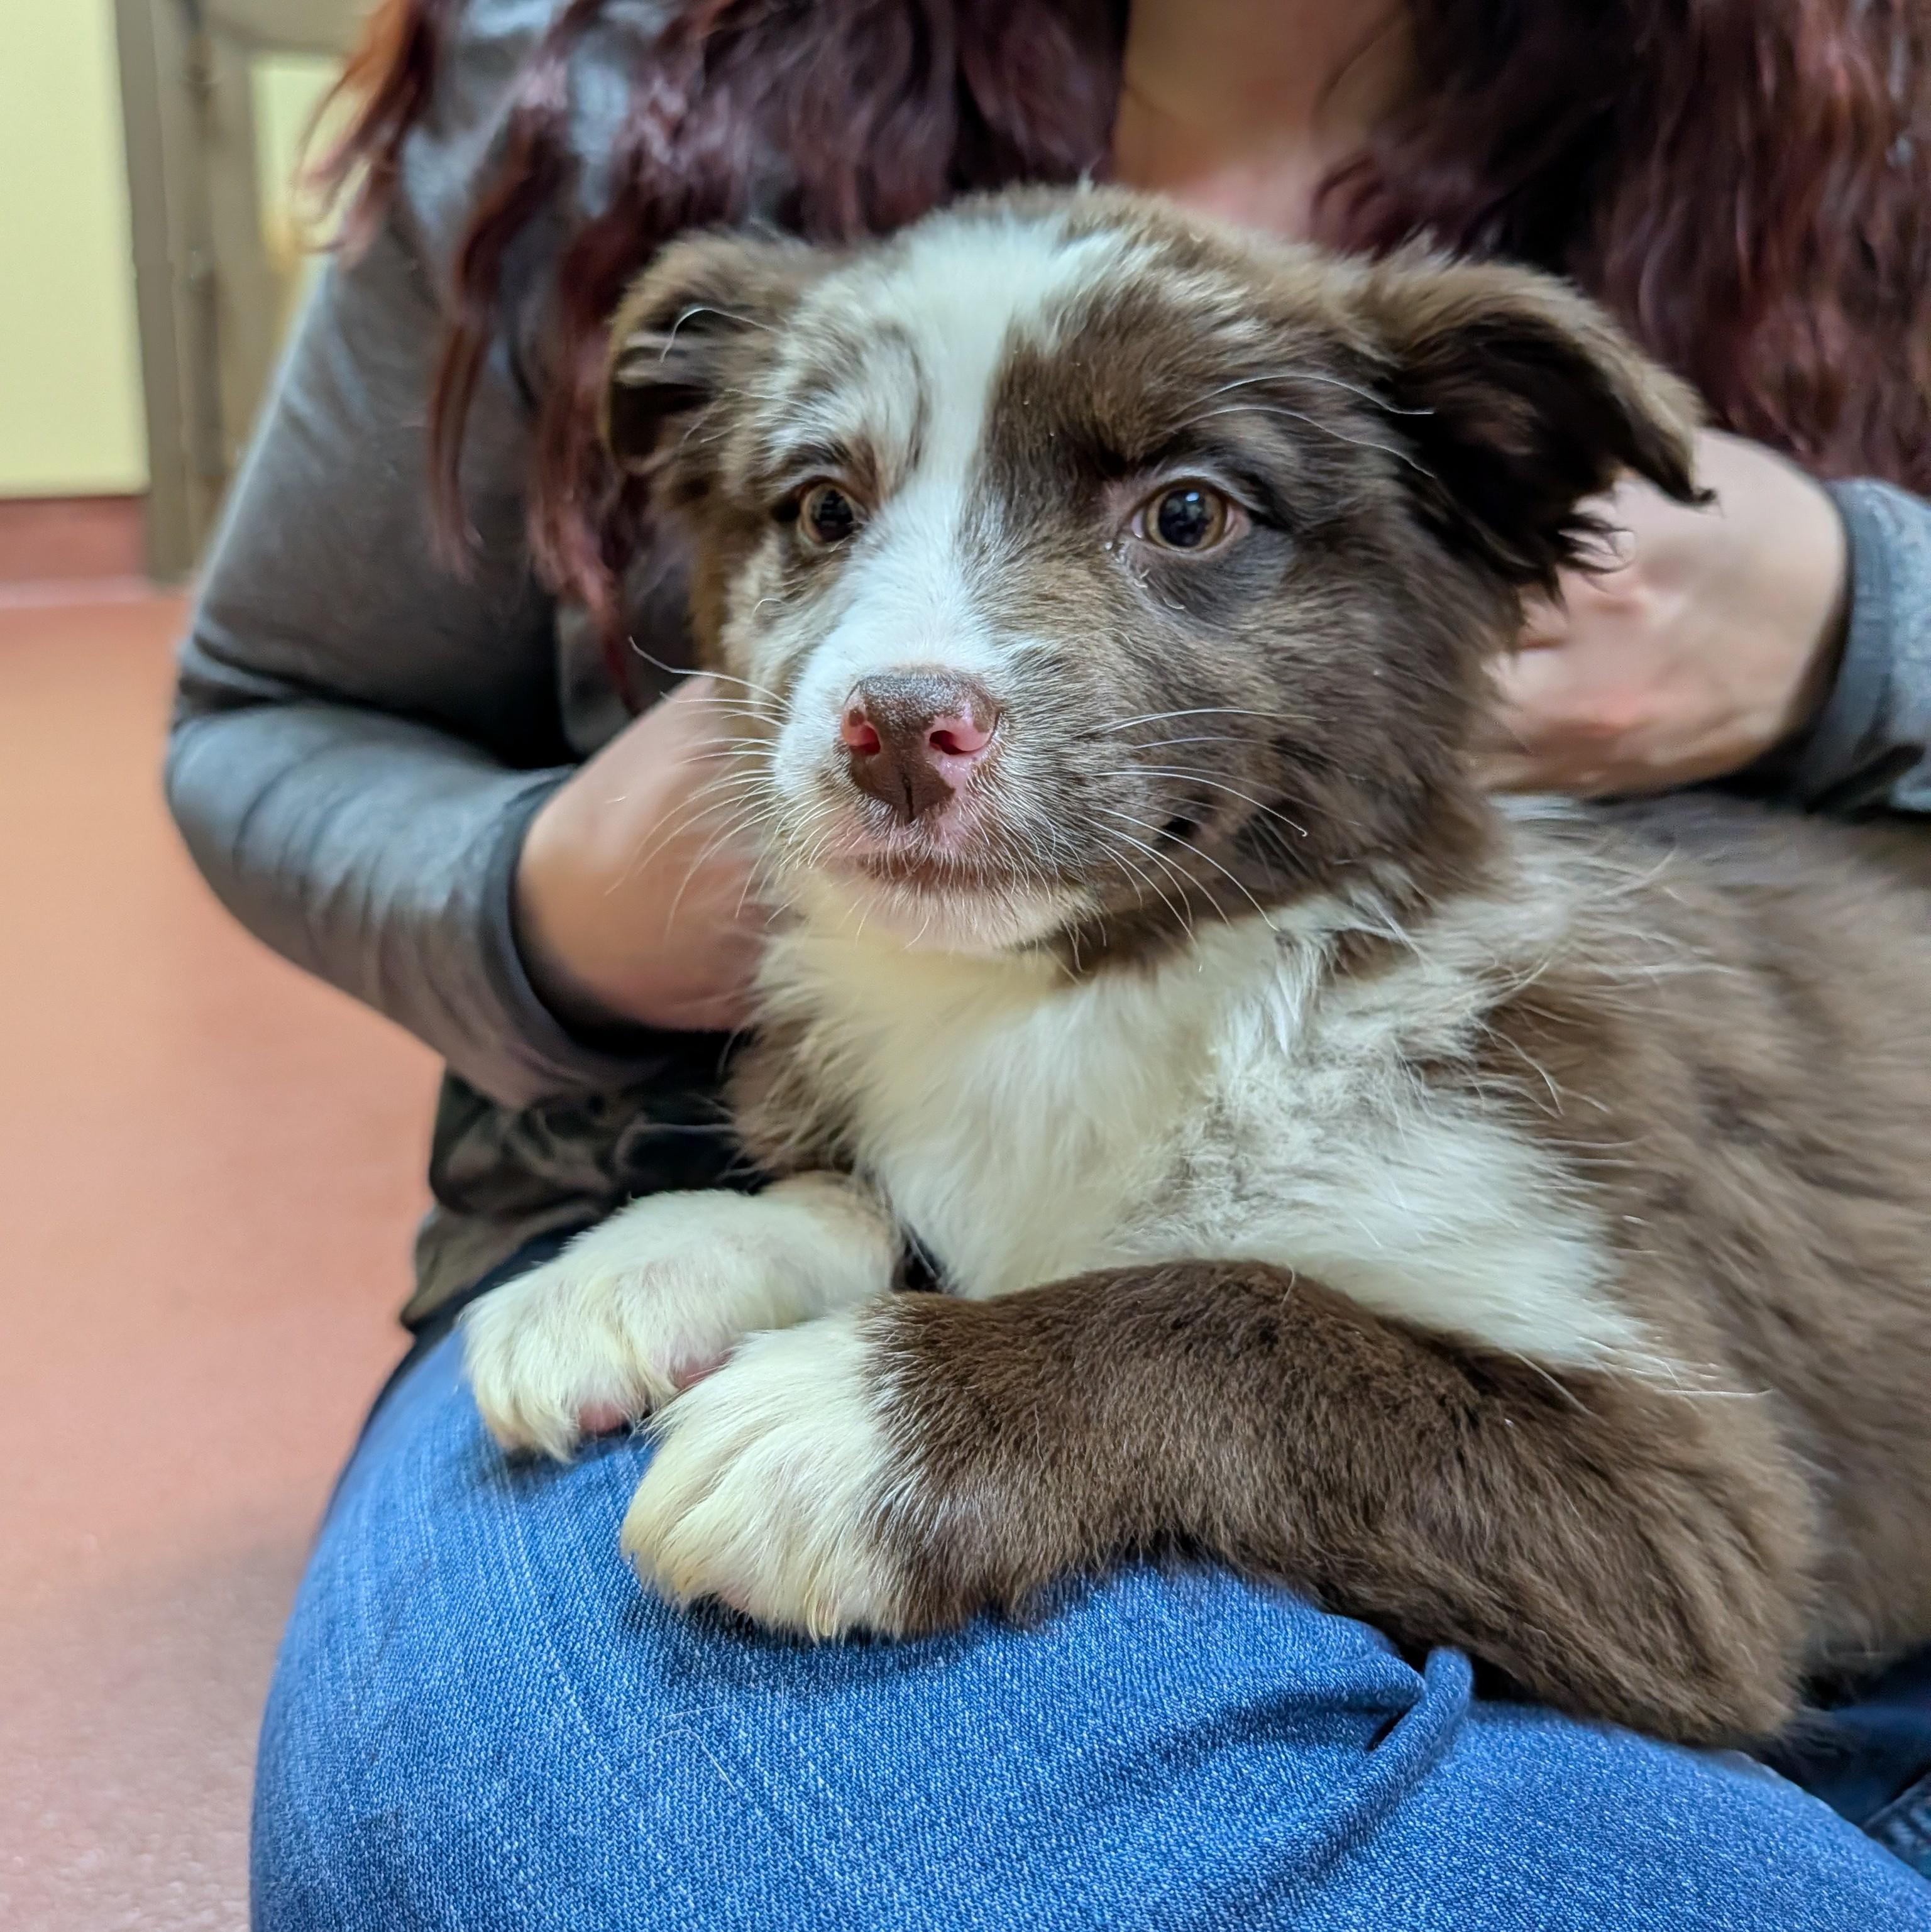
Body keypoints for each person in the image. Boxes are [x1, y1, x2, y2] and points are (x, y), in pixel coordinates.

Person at [167, 2, 1931, 1923]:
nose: (914, 672)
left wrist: (1863, 612)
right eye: (828, 514)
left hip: (1640, 1384)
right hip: (684, 1186)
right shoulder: (572, 73)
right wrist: (544, 899)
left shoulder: (1852, 116)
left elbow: (1678, 1566)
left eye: (1185, 516)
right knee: (676, 1803)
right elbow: (261, 704)